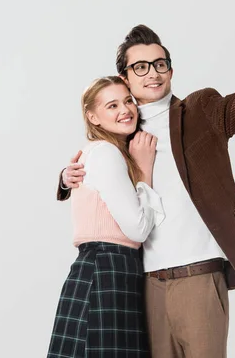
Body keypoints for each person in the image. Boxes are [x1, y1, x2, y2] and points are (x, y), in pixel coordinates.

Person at [57, 25, 235, 358]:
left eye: (160, 64)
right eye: (141, 67)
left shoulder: (200, 109)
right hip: (145, 285)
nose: (153, 74)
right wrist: (65, 178)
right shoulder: (120, 132)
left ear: (171, 70)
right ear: (125, 78)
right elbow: (97, 169)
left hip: (198, 276)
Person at [47, 76, 165, 358]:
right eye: (111, 105)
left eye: (127, 101)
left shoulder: (111, 152)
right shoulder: (107, 153)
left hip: (108, 269)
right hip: (106, 270)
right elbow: (137, 230)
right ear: (93, 117)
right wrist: (145, 172)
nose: (125, 110)